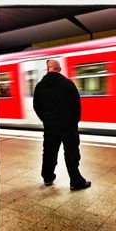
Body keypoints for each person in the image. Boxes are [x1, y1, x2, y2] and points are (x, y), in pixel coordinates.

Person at [33, 59, 91, 190]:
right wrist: (73, 122)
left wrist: (46, 120)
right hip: (68, 126)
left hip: (50, 127)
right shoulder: (68, 84)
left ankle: (47, 177)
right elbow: (77, 107)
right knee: (71, 153)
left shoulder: (39, 86)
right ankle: (75, 181)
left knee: (49, 152)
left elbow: (36, 106)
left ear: (47, 69)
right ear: (59, 69)